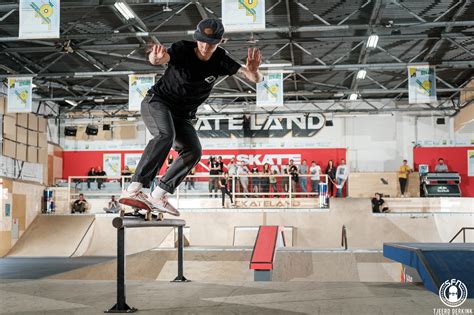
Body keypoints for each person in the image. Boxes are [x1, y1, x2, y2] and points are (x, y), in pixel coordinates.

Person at [120, 18, 262, 216]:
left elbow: (252, 77)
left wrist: (255, 72)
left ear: (220, 42)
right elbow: (159, 60)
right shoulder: (182, 49)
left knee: (193, 151)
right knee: (164, 135)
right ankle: (135, 188)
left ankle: (158, 194)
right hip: (157, 102)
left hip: (182, 116)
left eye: (211, 43)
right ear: (197, 39)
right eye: (202, 41)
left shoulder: (221, 59)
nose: (205, 47)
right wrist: (154, 58)